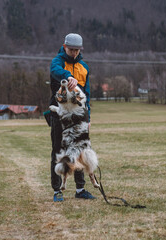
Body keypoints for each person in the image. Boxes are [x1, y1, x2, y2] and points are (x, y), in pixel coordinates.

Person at [49, 33, 96, 202]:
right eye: (71, 50)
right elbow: (55, 71)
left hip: (79, 118)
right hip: (59, 116)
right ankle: (57, 191)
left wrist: (88, 118)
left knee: (80, 150)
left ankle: (80, 189)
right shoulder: (58, 62)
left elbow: (87, 96)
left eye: (77, 50)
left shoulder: (84, 67)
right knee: (58, 151)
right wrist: (67, 76)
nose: (74, 53)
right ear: (64, 46)